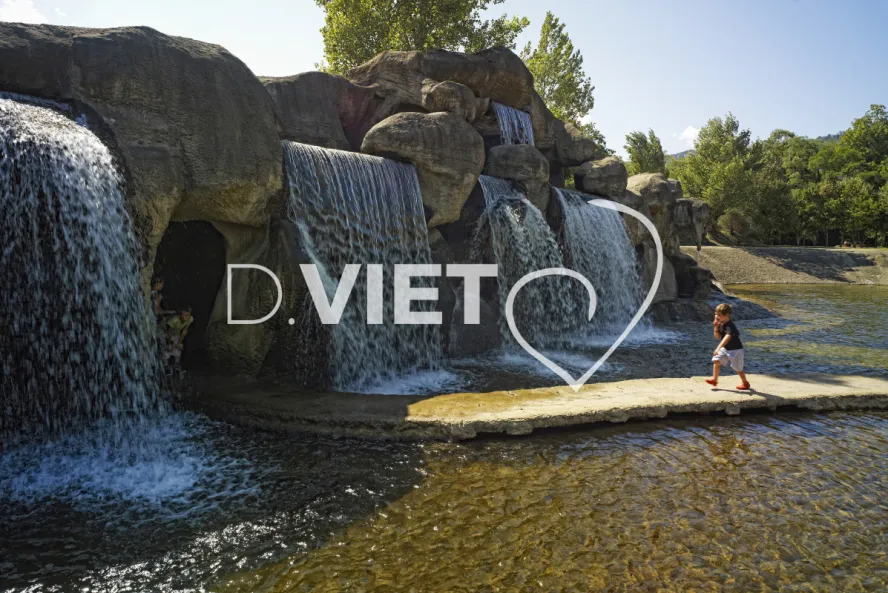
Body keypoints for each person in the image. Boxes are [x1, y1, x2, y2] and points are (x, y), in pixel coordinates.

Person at [705, 303, 751, 390]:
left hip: (736, 350)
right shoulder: (721, 324)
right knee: (716, 361)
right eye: (716, 314)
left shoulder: (730, 326)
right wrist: (715, 327)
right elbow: (717, 337)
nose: (717, 317)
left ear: (727, 315)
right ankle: (714, 380)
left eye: (719, 315)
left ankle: (745, 383)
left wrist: (718, 348)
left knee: (738, 368)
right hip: (725, 349)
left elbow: (728, 337)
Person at [165, 307, 194, 374]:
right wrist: (169, 343)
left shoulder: (190, 319)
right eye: (185, 315)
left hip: (176, 333)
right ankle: (166, 367)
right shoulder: (174, 320)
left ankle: (176, 365)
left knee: (178, 349)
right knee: (167, 350)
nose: (187, 317)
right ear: (180, 315)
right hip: (165, 333)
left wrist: (179, 342)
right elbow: (169, 332)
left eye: (188, 315)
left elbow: (184, 331)